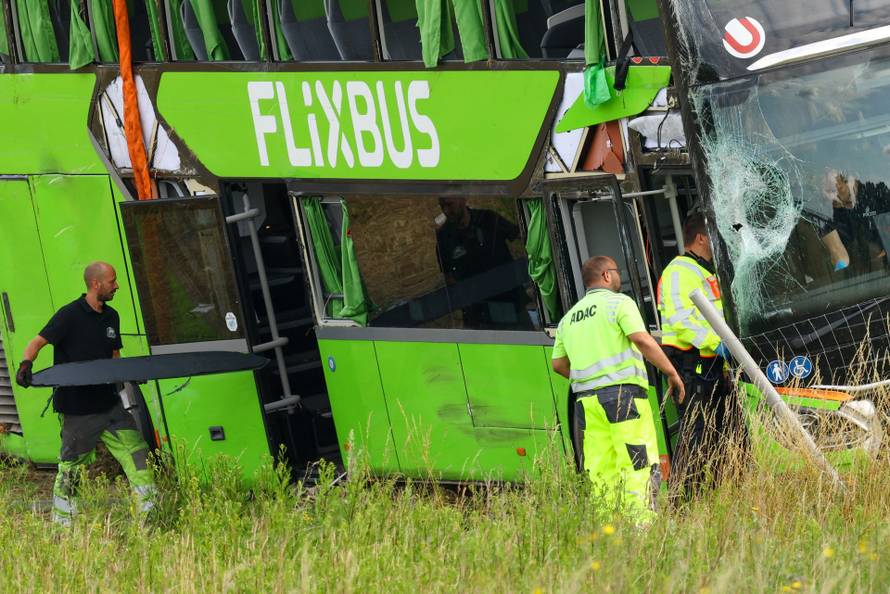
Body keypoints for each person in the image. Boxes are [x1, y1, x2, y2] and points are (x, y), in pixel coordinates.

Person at [15, 262, 156, 525]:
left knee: (137, 453)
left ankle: (150, 514)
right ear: (96, 284)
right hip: (79, 410)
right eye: (112, 281)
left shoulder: (112, 316)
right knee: (72, 469)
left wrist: (128, 375)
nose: (116, 286)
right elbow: (37, 342)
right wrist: (26, 363)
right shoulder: (69, 315)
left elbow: (114, 356)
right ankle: (63, 524)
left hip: (110, 406)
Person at [552, 256, 684, 519]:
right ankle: (642, 529)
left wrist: (590, 379)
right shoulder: (619, 303)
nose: (619, 276)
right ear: (605, 276)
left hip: (586, 403)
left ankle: (610, 530)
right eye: (616, 271)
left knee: (601, 468)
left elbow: (558, 364)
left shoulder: (568, 319)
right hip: (624, 398)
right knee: (637, 464)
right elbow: (641, 340)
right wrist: (671, 372)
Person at [657, 213, 747, 499]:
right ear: (700, 238)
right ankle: (685, 501)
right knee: (695, 436)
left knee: (724, 430)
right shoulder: (678, 271)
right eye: (714, 235)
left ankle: (720, 494)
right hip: (691, 365)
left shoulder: (707, 269)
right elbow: (682, 320)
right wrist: (718, 343)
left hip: (712, 364)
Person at [435, 197, 529, 329]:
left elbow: (523, 237)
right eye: (441, 206)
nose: (445, 211)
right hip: (478, 313)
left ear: (463, 199)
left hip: (508, 302)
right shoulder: (444, 236)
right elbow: (449, 278)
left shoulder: (487, 219)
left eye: (449, 205)